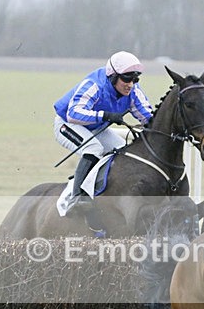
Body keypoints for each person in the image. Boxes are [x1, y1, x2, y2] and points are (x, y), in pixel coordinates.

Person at [53, 51, 154, 212]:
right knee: (93, 149)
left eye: (135, 79)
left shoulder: (133, 91)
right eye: (126, 78)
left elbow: (148, 117)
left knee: (123, 152)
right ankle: (76, 196)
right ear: (113, 76)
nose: (130, 84)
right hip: (67, 124)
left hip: (95, 128)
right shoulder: (94, 85)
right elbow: (73, 114)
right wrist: (105, 115)